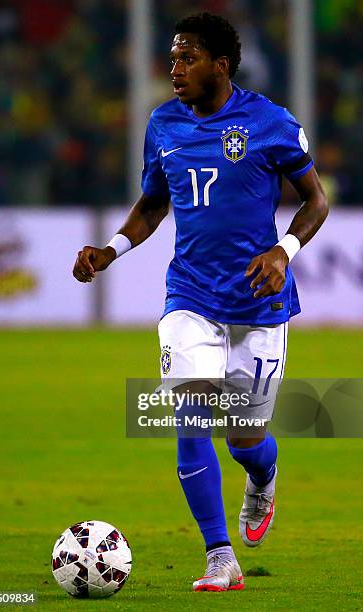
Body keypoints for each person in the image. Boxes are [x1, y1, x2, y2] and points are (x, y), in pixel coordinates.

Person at [73, 12, 328, 592]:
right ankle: (219, 555)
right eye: (172, 57)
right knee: (190, 415)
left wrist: (283, 251)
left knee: (244, 439)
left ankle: (263, 474)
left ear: (222, 64)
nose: (175, 68)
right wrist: (112, 249)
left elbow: (316, 201)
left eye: (187, 58)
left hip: (260, 305)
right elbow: (152, 204)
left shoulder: (269, 122)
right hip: (189, 296)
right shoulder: (163, 124)